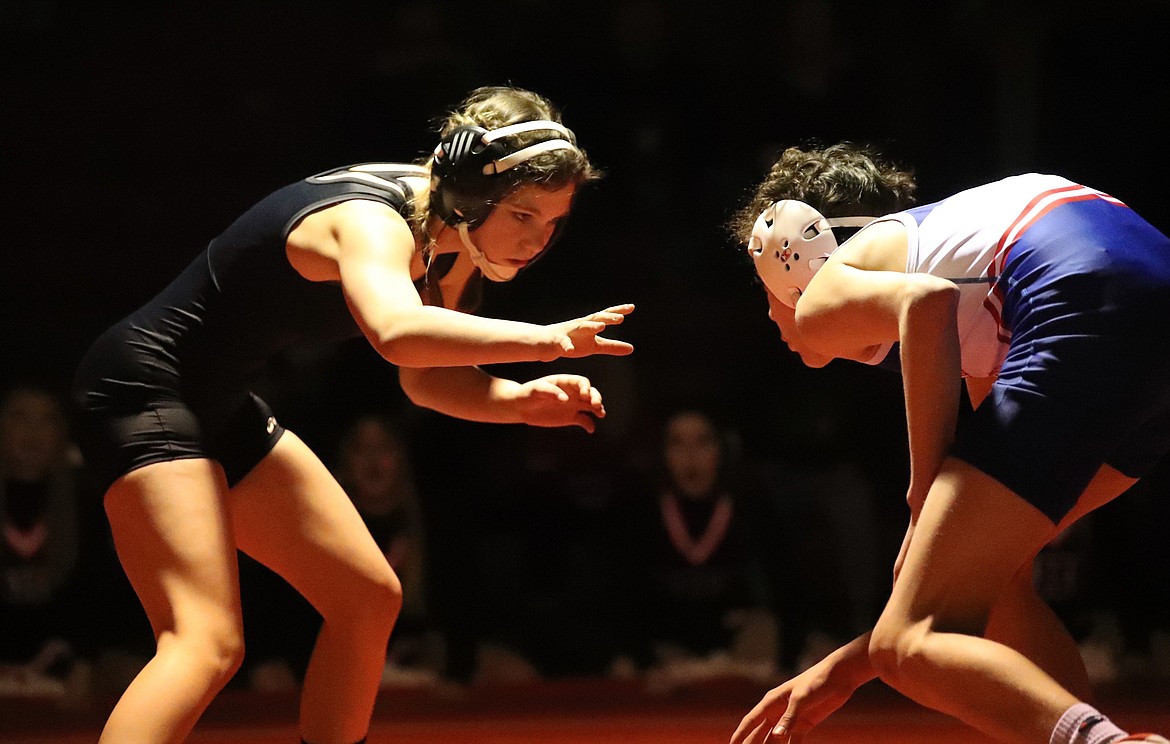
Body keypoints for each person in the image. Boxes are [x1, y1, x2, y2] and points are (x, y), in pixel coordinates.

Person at [72, 85, 634, 744]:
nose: (537, 242)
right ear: (472, 192)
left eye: (553, 223)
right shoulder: (372, 221)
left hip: (217, 403)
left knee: (367, 600)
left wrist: (516, 402)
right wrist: (547, 341)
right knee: (204, 643)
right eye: (523, 216)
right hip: (142, 390)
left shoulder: (453, 241)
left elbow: (424, 378)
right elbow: (397, 332)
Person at [727, 143, 1170, 744]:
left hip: (1078, 302)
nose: (769, 311)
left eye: (762, 286)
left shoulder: (824, 292)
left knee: (908, 642)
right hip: (1137, 310)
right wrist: (847, 667)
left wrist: (922, 494)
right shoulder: (961, 268)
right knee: (998, 580)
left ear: (793, 254)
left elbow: (924, 303)